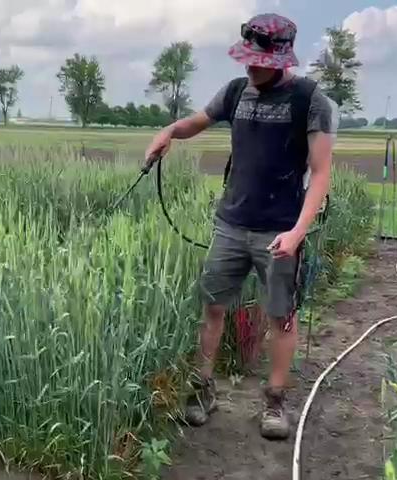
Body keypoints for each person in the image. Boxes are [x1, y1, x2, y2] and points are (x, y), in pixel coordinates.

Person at [144, 13, 337, 440]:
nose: (250, 66)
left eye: (258, 60)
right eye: (246, 58)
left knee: (280, 317)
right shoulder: (236, 92)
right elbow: (198, 120)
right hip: (231, 224)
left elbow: (321, 174)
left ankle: (275, 400)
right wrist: (170, 132)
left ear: (282, 58)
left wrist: (298, 232)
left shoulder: (309, 100)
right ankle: (203, 390)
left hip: (280, 231)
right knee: (212, 307)